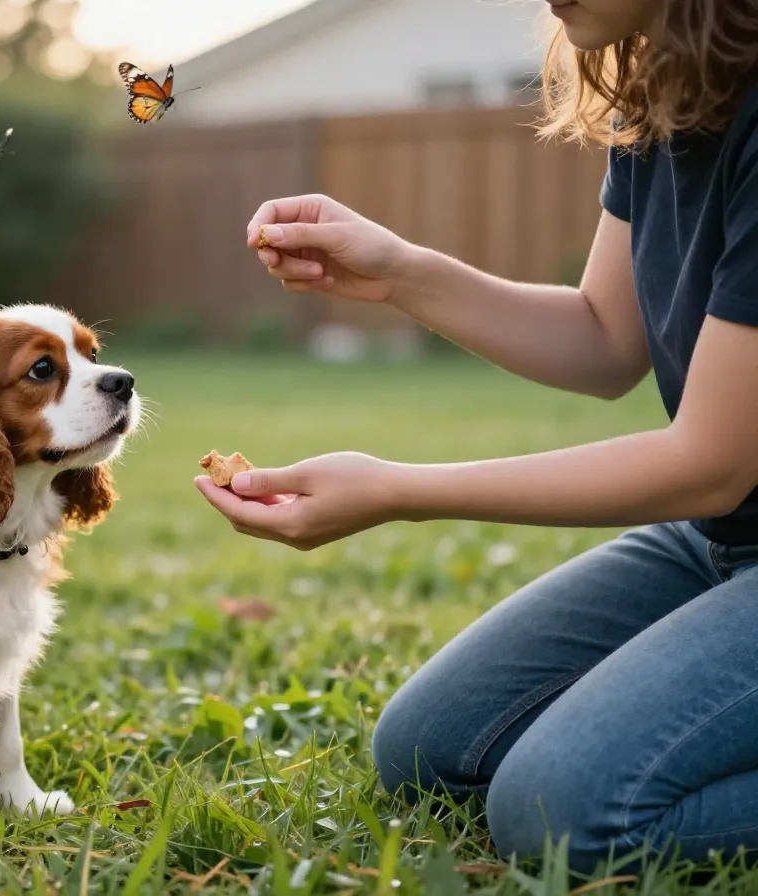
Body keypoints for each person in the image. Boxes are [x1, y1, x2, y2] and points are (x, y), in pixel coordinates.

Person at [194, 0, 758, 874]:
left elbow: (709, 464)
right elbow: (605, 337)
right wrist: (399, 274)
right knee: (430, 749)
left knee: (562, 811)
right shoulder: (666, 90)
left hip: (724, 502)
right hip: (723, 541)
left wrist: (397, 490)